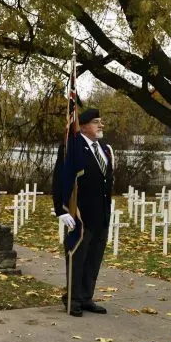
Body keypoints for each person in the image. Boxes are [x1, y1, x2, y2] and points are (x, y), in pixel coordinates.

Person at [51, 107, 113, 317]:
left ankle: (86, 297)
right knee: (77, 256)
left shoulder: (104, 148)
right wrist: (61, 209)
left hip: (101, 214)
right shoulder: (73, 147)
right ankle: (73, 298)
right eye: (97, 122)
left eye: (101, 121)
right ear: (83, 126)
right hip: (80, 214)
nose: (101, 125)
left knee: (94, 257)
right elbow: (61, 178)